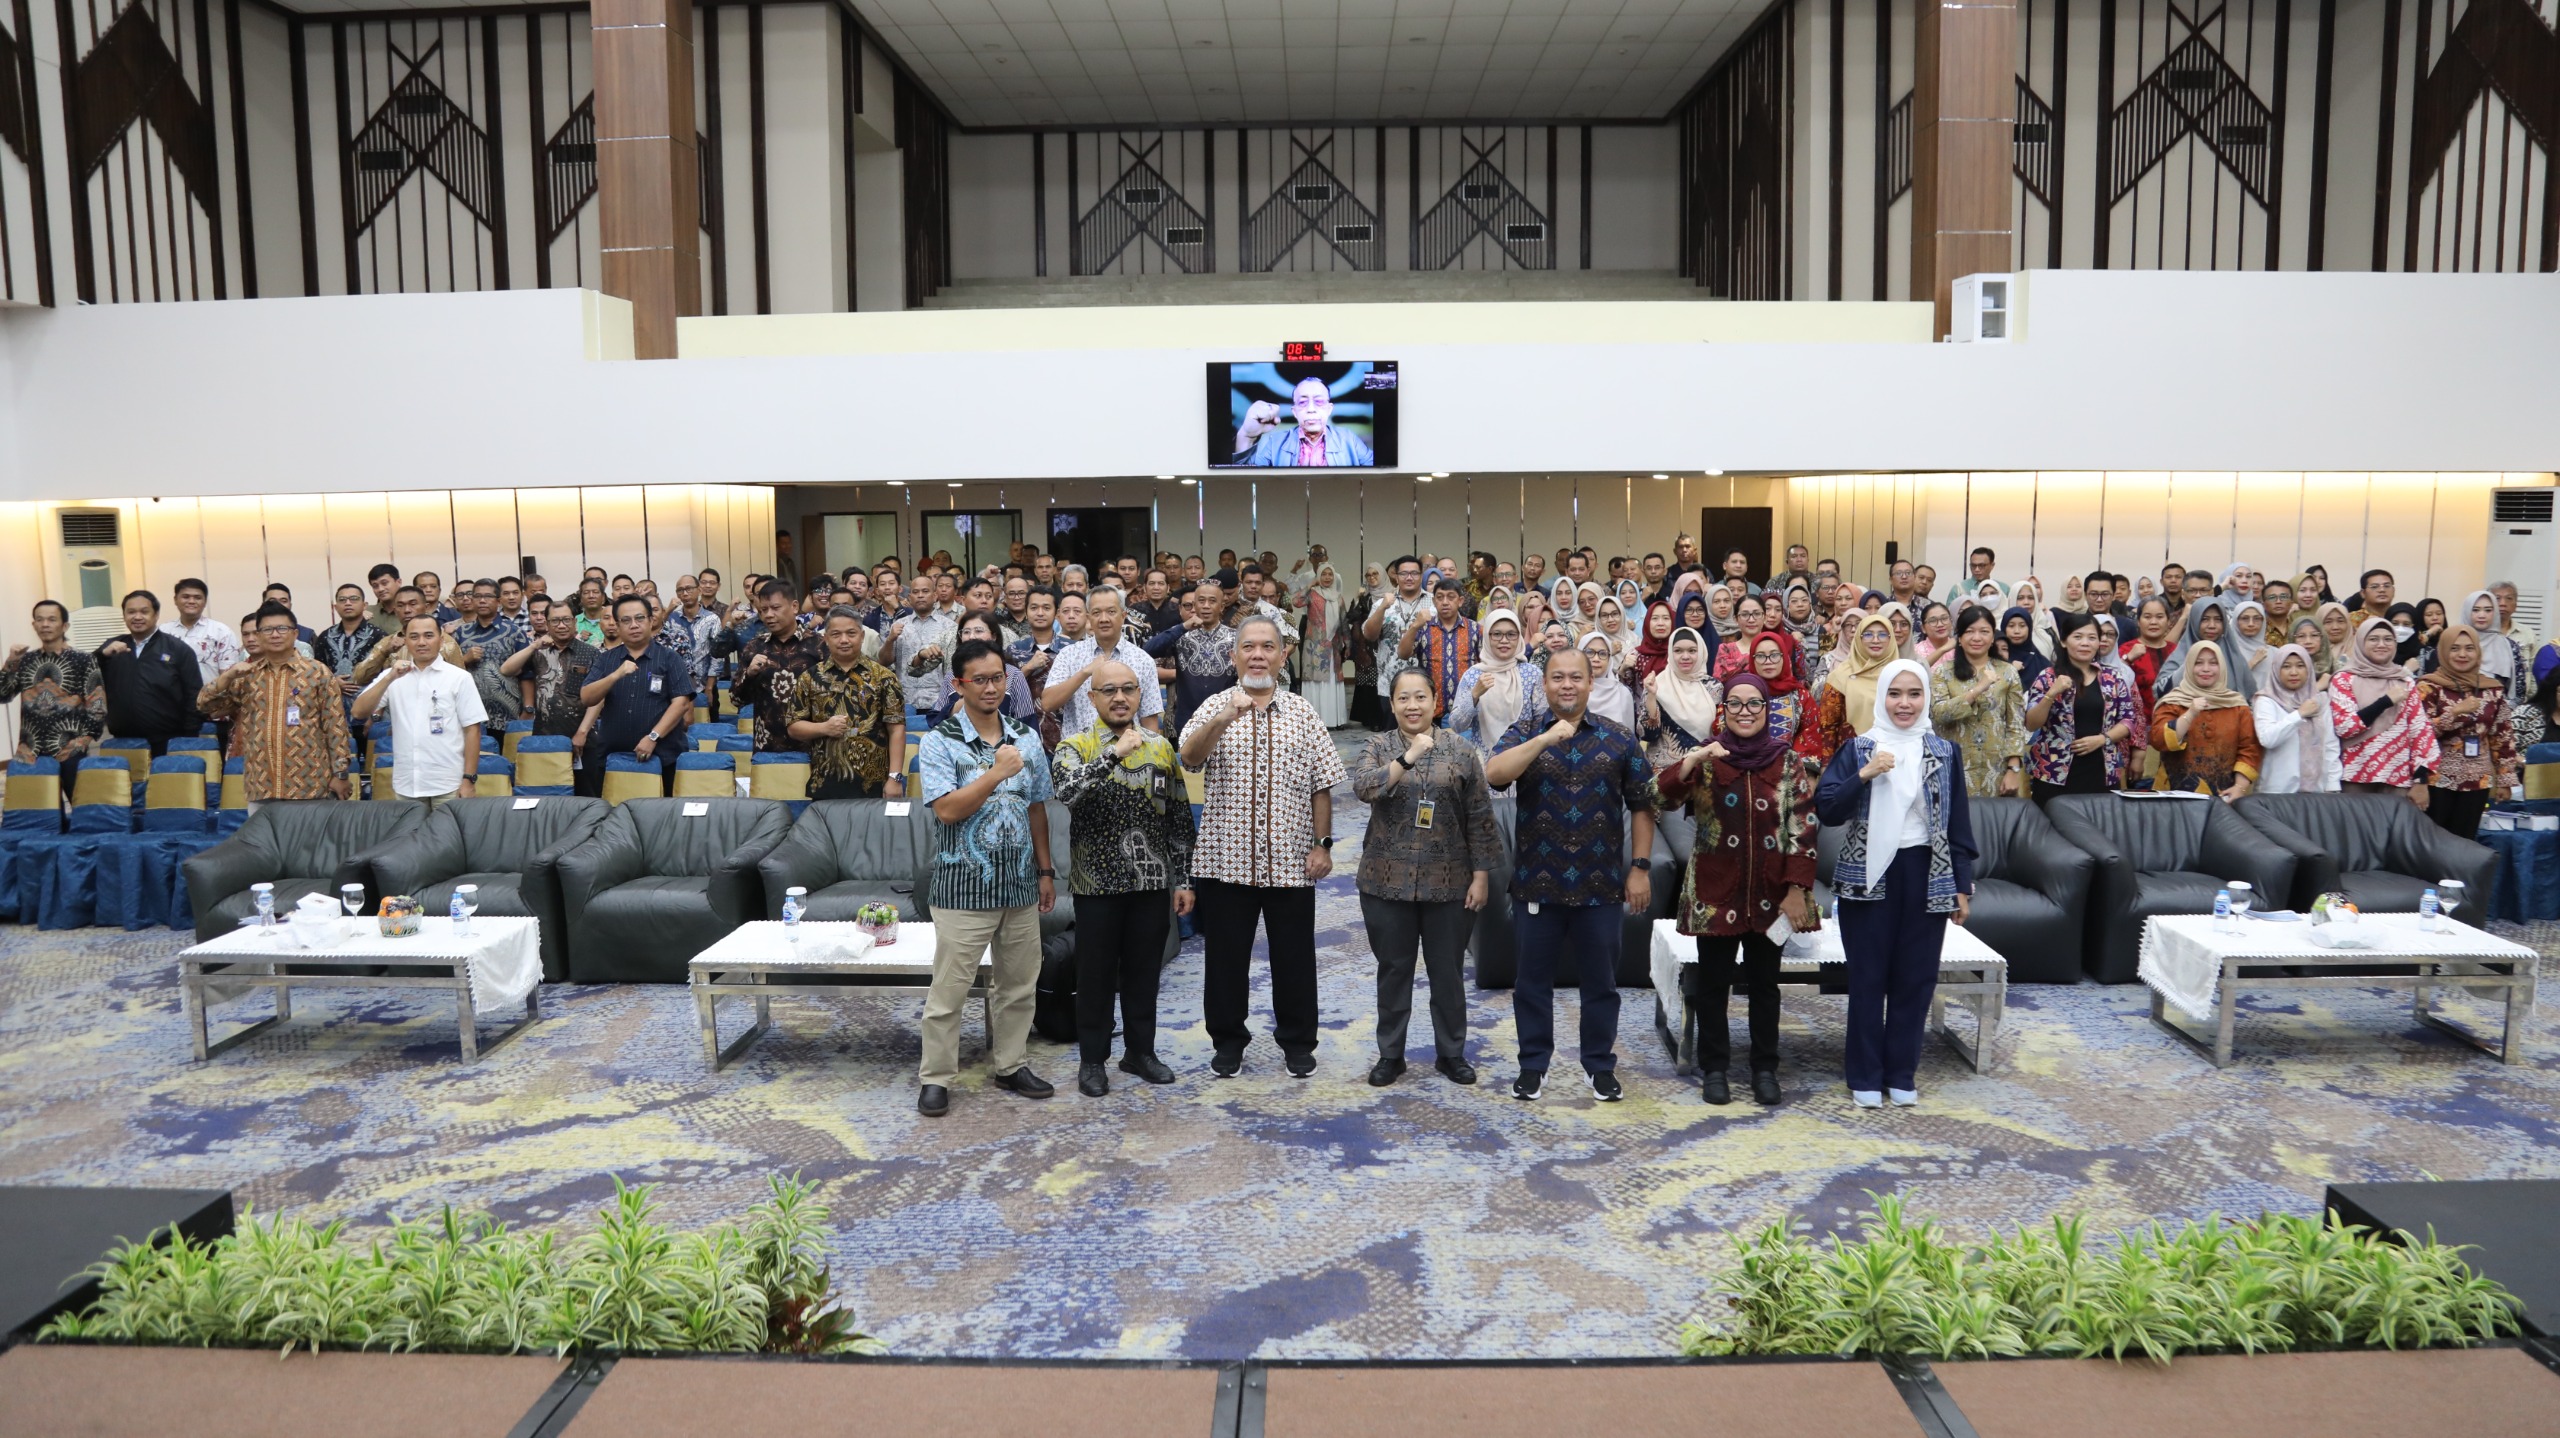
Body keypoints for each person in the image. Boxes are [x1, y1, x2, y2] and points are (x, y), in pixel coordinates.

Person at [1483, 643, 1655, 1103]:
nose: (1567, 685)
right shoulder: (1525, 731)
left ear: (1590, 683)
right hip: (1537, 885)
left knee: (1601, 986)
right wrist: (1544, 740)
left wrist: (1639, 868)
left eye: (1575, 677)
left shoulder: (1619, 737)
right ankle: (1533, 1066)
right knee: (1531, 985)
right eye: (1557, 677)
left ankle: (1599, 1066)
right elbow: (1494, 774)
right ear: (1544, 684)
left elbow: (1643, 805)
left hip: (1601, 887)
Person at [1179, 615, 1348, 1077]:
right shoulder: (1214, 706)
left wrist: (1322, 845)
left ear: (1282, 655)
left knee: (1294, 959)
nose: (1258, 655)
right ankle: (1228, 1043)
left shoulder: (1303, 712)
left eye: (1267, 647)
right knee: (1225, 960)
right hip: (1225, 861)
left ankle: (1298, 1043)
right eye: (1249, 647)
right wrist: (1223, 719)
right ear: (1234, 655)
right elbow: (1189, 758)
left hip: (1291, 861)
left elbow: (1322, 784)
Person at [1816, 659, 1976, 1109]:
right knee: (1868, 978)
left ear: (1926, 698)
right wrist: (1864, 775)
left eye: (1914, 694)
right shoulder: (1859, 748)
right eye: (1895, 694)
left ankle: (1901, 1072)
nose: (1904, 704)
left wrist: (1962, 884)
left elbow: (1958, 823)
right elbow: (1827, 808)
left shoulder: (1944, 751)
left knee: (1916, 978)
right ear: (1881, 697)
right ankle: (1865, 1074)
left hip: (1928, 873)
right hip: (1869, 876)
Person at [1657, 672, 1821, 1106]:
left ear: (1766, 710)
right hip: (1715, 893)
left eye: (1754, 704)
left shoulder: (1786, 761)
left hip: (1772, 895)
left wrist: (1796, 889)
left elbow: (1803, 828)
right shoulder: (1709, 759)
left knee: (1765, 987)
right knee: (1713, 986)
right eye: (1735, 703)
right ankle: (1715, 1068)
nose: (1744, 712)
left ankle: (1765, 1068)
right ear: (1723, 710)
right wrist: (1692, 759)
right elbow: (1659, 798)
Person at [914, 641, 1057, 1116]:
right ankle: (936, 1077)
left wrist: (1045, 871)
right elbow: (947, 810)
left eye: (998, 678)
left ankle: (1011, 1065)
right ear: (959, 685)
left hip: (1019, 885)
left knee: (1018, 986)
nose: (991, 687)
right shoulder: (939, 741)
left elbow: (1036, 808)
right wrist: (996, 773)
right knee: (949, 991)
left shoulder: (1025, 737)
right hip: (963, 888)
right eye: (980, 679)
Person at [1048, 658, 1192, 1097]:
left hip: (1150, 885)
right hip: (1096, 887)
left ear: (1140, 695)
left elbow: (1178, 817)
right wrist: (1114, 754)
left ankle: (1140, 1052)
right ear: (1092, 698)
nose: (1120, 697)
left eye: (1128, 689)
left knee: (1144, 975)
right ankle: (1093, 1061)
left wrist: (1184, 879)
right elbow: (1067, 793)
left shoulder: (1161, 747)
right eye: (1109, 690)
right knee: (1094, 978)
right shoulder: (1075, 746)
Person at [1352, 670, 1497, 1087]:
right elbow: (1364, 788)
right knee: (1393, 970)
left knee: (1447, 973)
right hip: (1386, 879)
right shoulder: (1378, 746)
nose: (1412, 706)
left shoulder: (1461, 749)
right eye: (1403, 698)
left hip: (1449, 881)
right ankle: (1390, 1055)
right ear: (1393, 703)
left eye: (1420, 697)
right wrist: (1407, 758)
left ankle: (1451, 1054)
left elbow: (1479, 816)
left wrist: (1481, 876)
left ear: (1436, 702)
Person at [196, 600, 353, 808]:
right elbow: (205, 706)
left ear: (295, 634)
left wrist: (340, 774)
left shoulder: (318, 673)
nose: (275, 634)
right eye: (267, 630)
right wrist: (227, 677)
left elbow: (336, 727)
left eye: (282, 628)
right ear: (259, 636)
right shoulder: (247, 675)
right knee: (262, 832)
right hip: (262, 785)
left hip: (310, 785)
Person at [352, 615, 485, 808]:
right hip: (407, 784)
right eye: (414, 637)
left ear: (441, 640)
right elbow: (358, 712)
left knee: (449, 829)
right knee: (411, 829)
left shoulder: (459, 678)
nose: (421, 642)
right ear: (405, 641)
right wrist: (389, 677)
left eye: (428, 636)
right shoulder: (393, 675)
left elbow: (473, 730)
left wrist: (469, 779)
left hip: (449, 783)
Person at [573, 597, 695, 797]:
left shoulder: (669, 657)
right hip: (613, 755)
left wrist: (653, 737)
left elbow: (681, 703)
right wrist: (615, 675)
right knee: (613, 808)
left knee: (663, 810)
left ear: (651, 620)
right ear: (617, 625)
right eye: (626, 620)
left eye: (639, 618)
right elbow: (587, 697)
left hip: (663, 754)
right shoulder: (606, 659)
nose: (634, 625)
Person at [786, 607, 908, 800]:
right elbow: (793, 726)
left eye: (851, 633)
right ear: (826, 638)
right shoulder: (809, 678)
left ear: (862, 636)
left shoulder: (884, 677)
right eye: (836, 634)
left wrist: (895, 778)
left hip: (875, 785)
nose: (844, 640)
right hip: (825, 783)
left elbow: (896, 730)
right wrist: (824, 728)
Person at [2022, 611, 2138, 801]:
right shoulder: (2048, 677)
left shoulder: (2113, 678)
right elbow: (2031, 723)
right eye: (2078, 637)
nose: (2085, 643)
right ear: (2064, 641)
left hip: (2102, 768)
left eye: (2092, 638)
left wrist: (2102, 739)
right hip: (2054, 771)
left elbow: (2128, 720)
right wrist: (2052, 693)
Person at [2416, 624, 2518, 840]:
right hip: (2437, 780)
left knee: (2466, 844)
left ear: (2478, 652)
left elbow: (2502, 736)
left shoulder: (2492, 689)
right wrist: (2454, 713)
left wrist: (2505, 779)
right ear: (2443, 651)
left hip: (2478, 781)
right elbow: (2420, 734)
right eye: (2454, 648)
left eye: (2469, 648)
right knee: (2433, 843)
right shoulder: (2429, 687)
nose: (2462, 654)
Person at [2331, 616, 2438, 804]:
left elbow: (2420, 732)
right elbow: (2345, 727)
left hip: (2397, 779)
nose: (2381, 644)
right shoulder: (2344, 679)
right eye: (2373, 639)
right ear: (2361, 642)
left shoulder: (2404, 681)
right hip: (2355, 778)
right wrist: (2386, 701)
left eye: (2388, 639)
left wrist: (2420, 780)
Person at [94, 590, 205, 758]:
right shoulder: (112, 647)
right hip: (122, 741)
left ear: (156, 614)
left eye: (144, 612)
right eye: (131, 612)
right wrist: (101, 655)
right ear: (124, 616)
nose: (137, 617)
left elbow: (194, 695)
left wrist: (189, 737)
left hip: (168, 741)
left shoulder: (177, 649)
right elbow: (86, 675)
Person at [1042, 586, 1164, 738]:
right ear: (1088, 618)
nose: (1104, 619)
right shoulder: (1069, 655)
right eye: (1096, 613)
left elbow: (1149, 720)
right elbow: (1047, 704)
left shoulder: (1143, 660)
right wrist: (1085, 672)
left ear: (1123, 616)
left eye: (1111, 612)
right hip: (1080, 750)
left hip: (1130, 749)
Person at [1930, 605, 2025, 796]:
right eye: (1969, 631)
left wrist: (2013, 769)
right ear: (1959, 638)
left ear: (1993, 637)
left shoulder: (2008, 672)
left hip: (1996, 770)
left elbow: (2015, 724)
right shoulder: (1943, 672)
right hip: (1953, 768)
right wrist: (1977, 689)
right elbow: (1939, 714)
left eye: (1984, 632)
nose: (1977, 638)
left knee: (1995, 816)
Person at [2150, 641, 2262, 799]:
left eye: (2213, 663)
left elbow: (2249, 749)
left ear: (2222, 667)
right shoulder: (2173, 702)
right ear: (2189, 666)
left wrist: (2239, 788)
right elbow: (2158, 740)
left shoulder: (2237, 705)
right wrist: (2190, 714)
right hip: (2174, 796)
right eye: (2198, 663)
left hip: (2225, 796)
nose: (2206, 669)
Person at [1, 601, 107, 765]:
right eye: (39, 620)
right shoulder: (25, 660)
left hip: (70, 751)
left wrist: (82, 742)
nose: (45, 624)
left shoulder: (84, 660)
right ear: (34, 625)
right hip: (29, 752)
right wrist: (11, 663)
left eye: (52, 619)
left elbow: (97, 706)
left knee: (75, 783)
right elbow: (3, 695)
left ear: (65, 626)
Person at [505, 602, 603, 760]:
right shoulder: (539, 652)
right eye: (555, 621)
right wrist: (533, 646)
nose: (562, 625)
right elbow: (506, 670)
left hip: (581, 736)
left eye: (566, 620)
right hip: (544, 736)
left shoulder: (591, 653)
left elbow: (598, 698)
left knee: (586, 776)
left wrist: (582, 732)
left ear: (575, 622)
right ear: (547, 624)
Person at [1802, 613, 1897, 763]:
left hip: (1896, 756)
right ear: (1859, 638)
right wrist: (1826, 764)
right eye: (1868, 634)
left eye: (1883, 634)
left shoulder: (1901, 674)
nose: (1875, 640)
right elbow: (1828, 726)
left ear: (1891, 639)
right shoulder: (1840, 676)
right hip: (1851, 759)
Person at [1231, 373, 1374, 466]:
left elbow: (1376, 468)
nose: (1311, 409)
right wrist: (1246, 435)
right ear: (1295, 412)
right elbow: (1246, 480)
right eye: (1302, 402)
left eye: (1319, 402)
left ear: (1329, 409)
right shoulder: (1275, 443)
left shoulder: (1349, 439)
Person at [2253, 644, 2341, 794]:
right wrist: (2299, 715)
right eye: (2286, 666)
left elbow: (2330, 744)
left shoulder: (2319, 701)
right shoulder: (2267, 700)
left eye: (2300, 666)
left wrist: (2333, 785)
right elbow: (2268, 739)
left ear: (2309, 669)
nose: (2294, 672)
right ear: (2276, 669)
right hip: (2277, 791)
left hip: (2316, 790)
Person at [1640, 625, 1723, 773]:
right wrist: (1651, 696)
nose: (1685, 656)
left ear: (1701, 652)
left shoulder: (1714, 687)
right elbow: (1648, 735)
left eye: (1692, 651)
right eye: (1678, 651)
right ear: (1670, 653)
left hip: (1705, 768)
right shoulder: (1656, 685)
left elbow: (1721, 732)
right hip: (1666, 770)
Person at [1362, 555, 1429, 728]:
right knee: (1392, 736)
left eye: (1414, 573)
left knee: (1423, 736)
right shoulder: (1383, 602)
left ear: (1421, 576)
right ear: (1396, 576)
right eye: (1404, 573)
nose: (1409, 577)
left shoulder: (1433, 602)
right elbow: (1369, 635)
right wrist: (1382, 608)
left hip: (1425, 683)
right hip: (1390, 683)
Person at [1297, 562, 1348, 726]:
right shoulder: (1312, 594)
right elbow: (1296, 601)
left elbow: (1344, 622)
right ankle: (1314, 720)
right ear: (1318, 576)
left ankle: (1334, 720)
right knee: (1316, 681)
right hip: (1314, 647)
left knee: (1331, 681)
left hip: (1333, 647)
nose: (1327, 577)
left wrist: (1347, 644)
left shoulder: (1338, 597)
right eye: (1324, 574)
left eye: (1330, 574)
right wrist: (1310, 585)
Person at [163, 578, 245, 679]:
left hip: (212, 689)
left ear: (205, 601)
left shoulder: (222, 632)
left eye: (197, 598)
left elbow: (229, 675)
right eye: (186, 597)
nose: (191, 601)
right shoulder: (163, 632)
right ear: (175, 600)